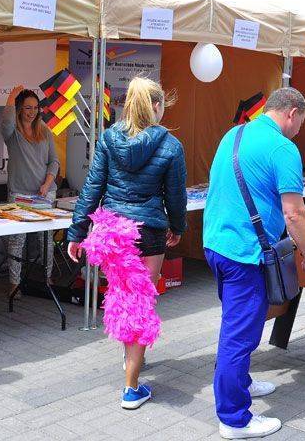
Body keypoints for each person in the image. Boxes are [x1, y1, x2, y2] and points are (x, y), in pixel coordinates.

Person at [203, 87, 305, 440]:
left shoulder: (234, 133)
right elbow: (295, 212)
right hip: (245, 253)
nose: (300, 129)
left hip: (216, 244)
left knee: (240, 324)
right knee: (238, 336)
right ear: (292, 113)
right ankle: (234, 419)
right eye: (301, 121)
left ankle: (242, 383)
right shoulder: (284, 148)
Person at [66, 77, 186, 410]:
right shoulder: (170, 145)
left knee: (123, 300)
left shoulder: (108, 138)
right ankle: (132, 387)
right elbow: (176, 195)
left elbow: (92, 188)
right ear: (157, 106)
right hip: (149, 232)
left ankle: (129, 355)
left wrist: (76, 233)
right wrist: (178, 227)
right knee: (141, 305)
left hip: (114, 233)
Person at [2, 85, 60, 298]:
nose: (32, 111)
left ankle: (48, 279)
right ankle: (14, 284)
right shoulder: (12, 132)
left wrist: (47, 183)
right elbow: (6, 122)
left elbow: (54, 160)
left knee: (46, 240)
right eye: (27, 107)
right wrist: (11, 97)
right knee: (17, 240)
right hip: (19, 194)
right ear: (19, 109)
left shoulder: (44, 130)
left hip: (44, 194)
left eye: (35, 107)